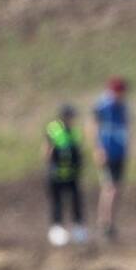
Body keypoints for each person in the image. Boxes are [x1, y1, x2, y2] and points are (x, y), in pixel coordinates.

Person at [89, 77, 130, 240]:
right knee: (109, 188)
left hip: (119, 152)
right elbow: (93, 125)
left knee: (117, 188)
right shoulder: (103, 105)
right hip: (106, 151)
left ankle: (111, 223)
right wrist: (98, 149)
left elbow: (125, 128)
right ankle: (104, 223)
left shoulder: (123, 107)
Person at [45, 104, 86, 246]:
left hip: (72, 174)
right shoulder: (54, 129)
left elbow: (78, 151)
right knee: (57, 202)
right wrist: (50, 168)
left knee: (76, 201)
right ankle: (56, 229)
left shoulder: (74, 131)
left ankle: (78, 228)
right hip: (57, 173)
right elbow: (48, 150)